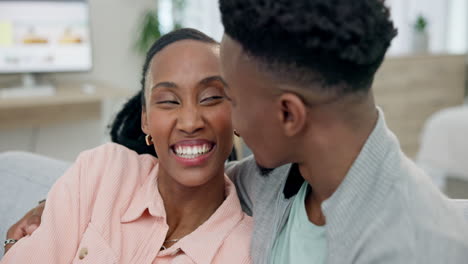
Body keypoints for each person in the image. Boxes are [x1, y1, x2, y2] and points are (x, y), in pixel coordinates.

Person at [6, 0, 468, 263]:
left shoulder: (411, 245)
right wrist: (60, 197)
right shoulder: (280, 179)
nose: (230, 125)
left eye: (230, 100)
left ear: (289, 115)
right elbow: (194, 177)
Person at [1, 28, 253, 263]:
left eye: (210, 98)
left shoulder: (247, 250)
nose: (190, 122)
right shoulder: (103, 170)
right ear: (146, 120)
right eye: (168, 101)